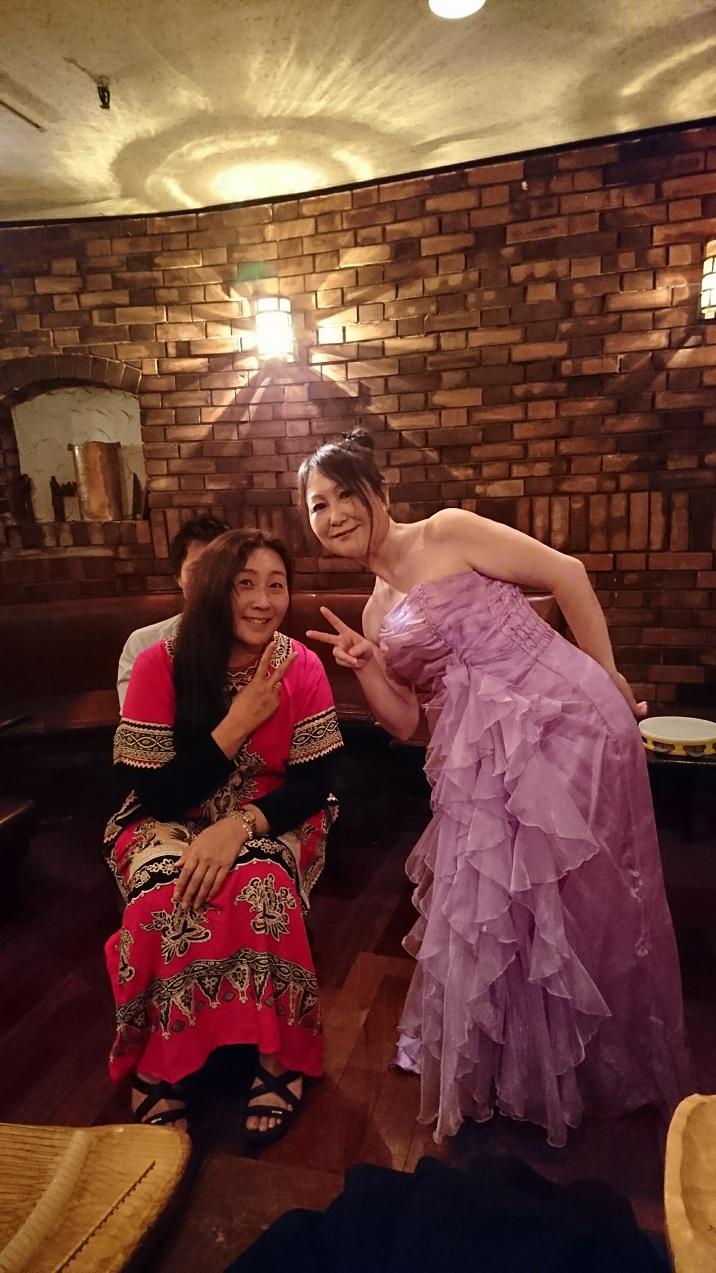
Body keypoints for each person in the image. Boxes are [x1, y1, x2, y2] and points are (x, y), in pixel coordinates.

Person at [298, 428, 690, 1149]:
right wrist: (365, 666)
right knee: (515, 909)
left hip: (569, 719)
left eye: (344, 494)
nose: (333, 514)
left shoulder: (446, 532)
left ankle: (602, 1066)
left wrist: (608, 676)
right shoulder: (375, 613)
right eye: (317, 505)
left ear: (379, 491)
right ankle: (534, 1072)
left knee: (586, 897)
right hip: (484, 761)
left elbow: (567, 574)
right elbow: (410, 722)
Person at [104, 529, 342, 1142]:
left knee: (262, 888)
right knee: (162, 898)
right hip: (168, 816)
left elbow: (314, 784)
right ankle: (159, 1063)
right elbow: (156, 792)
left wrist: (239, 826)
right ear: (214, 589)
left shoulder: (301, 666)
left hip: (269, 812)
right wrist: (235, 725)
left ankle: (279, 1056)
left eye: (276, 585)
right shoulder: (162, 663)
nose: (264, 601)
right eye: (245, 585)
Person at [116, 516, 228, 709]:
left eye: (221, 569)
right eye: (197, 570)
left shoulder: (260, 642)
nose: (209, 581)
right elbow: (139, 719)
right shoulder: (144, 644)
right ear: (179, 578)